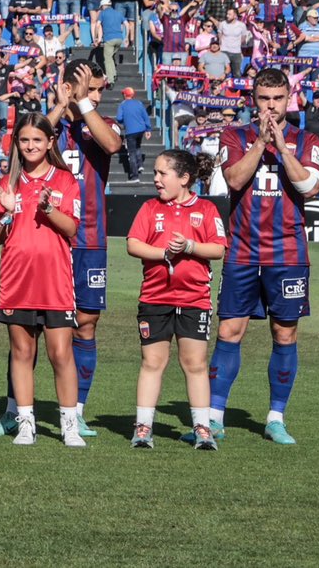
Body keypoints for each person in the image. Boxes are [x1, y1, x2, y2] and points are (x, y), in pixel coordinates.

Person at [0, 60, 121, 437]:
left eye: (96, 90)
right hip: (35, 243)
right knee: (23, 330)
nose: (92, 95)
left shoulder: (100, 123)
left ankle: (75, 411)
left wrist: (84, 105)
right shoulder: (51, 128)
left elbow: (111, 146)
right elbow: (29, 140)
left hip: (87, 236)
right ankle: (15, 410)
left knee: (84, 325)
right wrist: (63, 105)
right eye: (86, 88)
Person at [204, 67, 319, 446]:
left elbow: (309, 187)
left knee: (284, 334)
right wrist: (260, 143)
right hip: (242, 250)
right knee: (229, 331)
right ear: (253, 101)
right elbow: (235, 181)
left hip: (288, 253)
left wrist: (283, 148)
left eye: (277, 99)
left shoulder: (307, 139)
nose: (270, 106)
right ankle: (215, 415)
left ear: (289, 99)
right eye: (263, 99)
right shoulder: (234, 135)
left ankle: (275, 418)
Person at [0, 118, 88, 447]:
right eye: (24, 140)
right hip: (17, 281)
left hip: (55, 282)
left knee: (61, 354)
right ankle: (25, 423)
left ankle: (69, 425)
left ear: (50, 142)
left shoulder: (65, 180)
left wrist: (48, 207)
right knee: (21, 351)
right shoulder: (7, 182)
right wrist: (6, 212)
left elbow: (72, 229)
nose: (30, 146)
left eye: (36, 139)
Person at [125, 148, 226, 450]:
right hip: (155, 298)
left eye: (161, 173)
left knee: (195, 364)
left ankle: (202, 429)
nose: (155, 179)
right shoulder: (149, 209)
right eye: (155, 173)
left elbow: (218, 249)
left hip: (195, 300)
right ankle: (143, 428)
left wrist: (190, 246)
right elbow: (133, 244)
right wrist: (164, 254)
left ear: (183, 178)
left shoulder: (207, 210)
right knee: (152, 363)